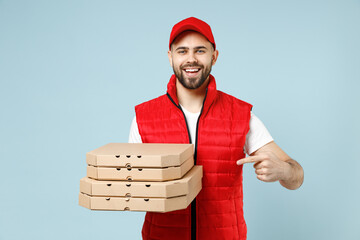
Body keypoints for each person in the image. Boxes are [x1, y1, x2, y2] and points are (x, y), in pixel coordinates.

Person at [128, 17, 304, 240]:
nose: (191, 59)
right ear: (170, 57)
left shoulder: (241, 115)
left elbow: (297, 177)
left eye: (200, 50)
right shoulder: (144, 117)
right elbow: (131, 185)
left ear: (214, 56)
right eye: (182, 51)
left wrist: (284, 171)